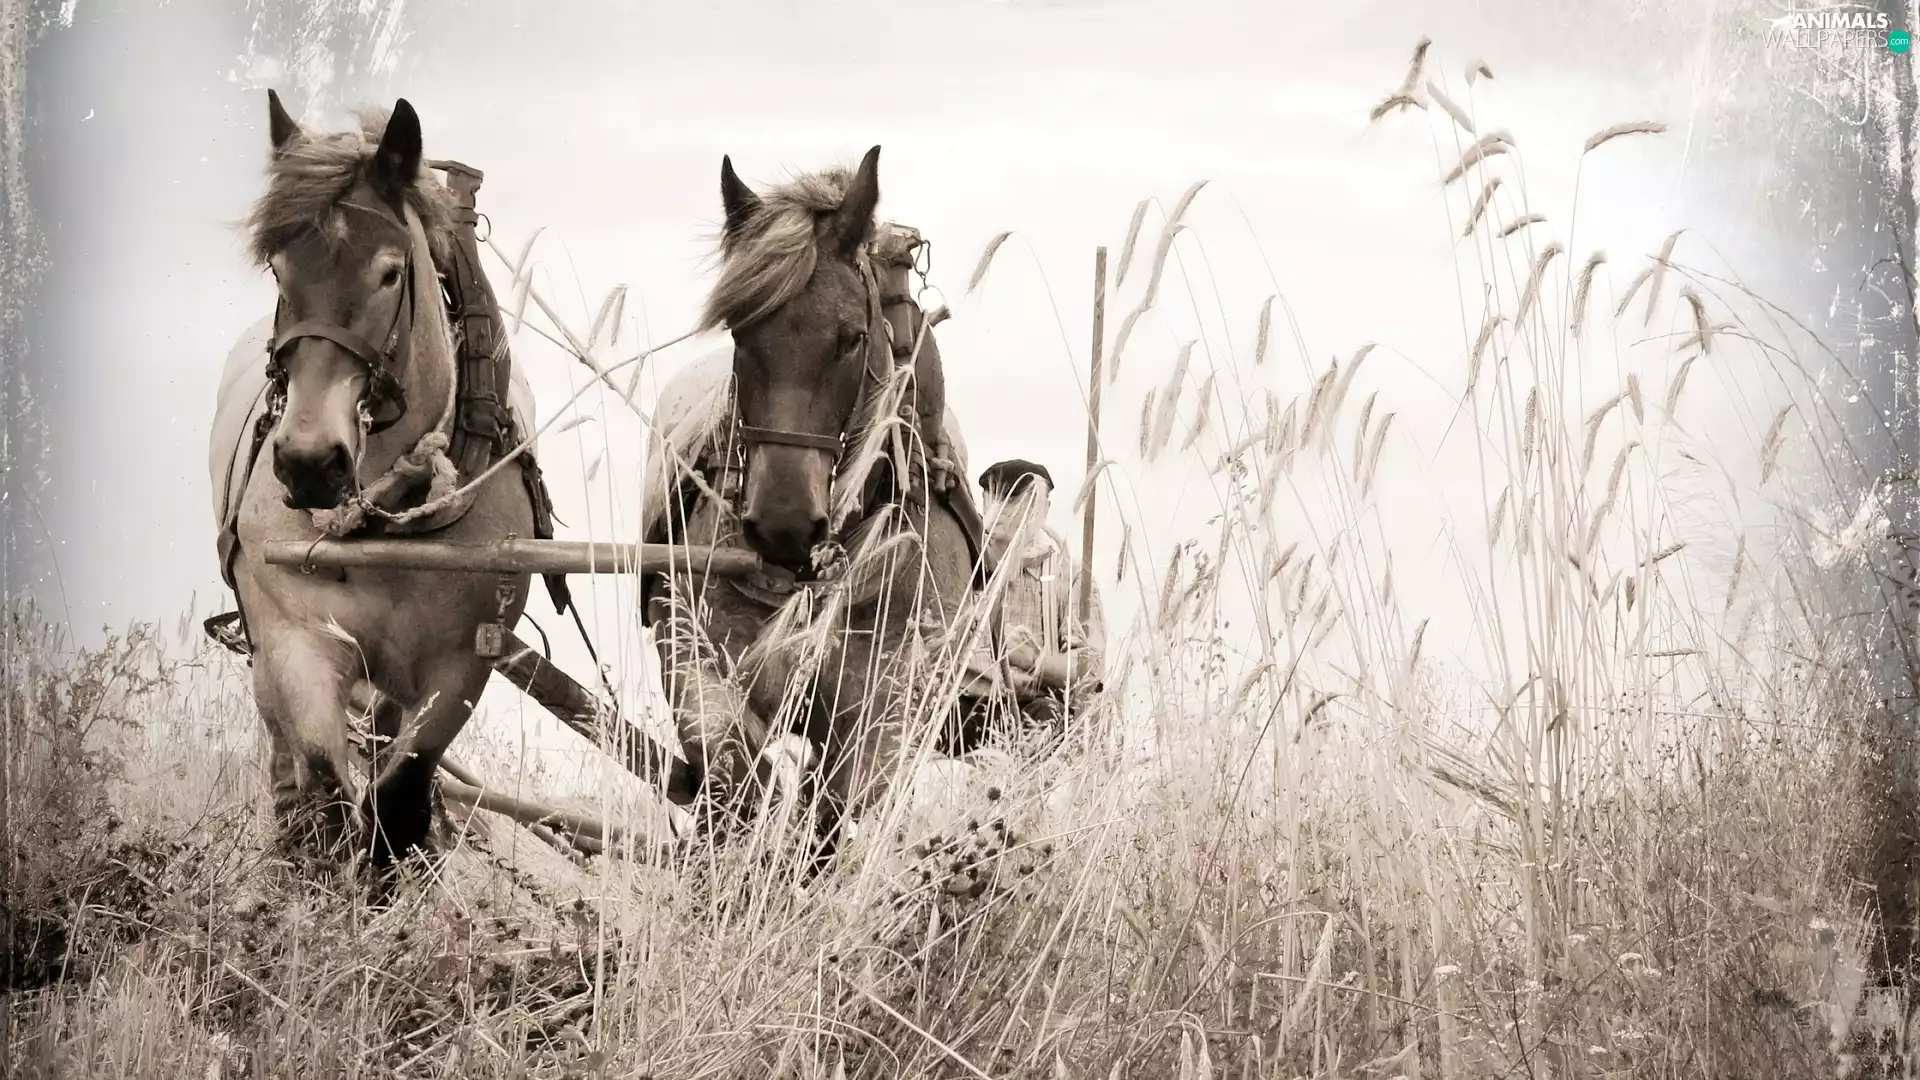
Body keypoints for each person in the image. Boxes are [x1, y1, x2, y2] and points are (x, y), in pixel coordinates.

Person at [952, 459, 1106, 755]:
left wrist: (1036, 662)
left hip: (1034, 712)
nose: (1013, 513)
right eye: (1005, 499)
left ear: (1045, 508)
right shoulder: (960, 567)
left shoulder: (1069, 576)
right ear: (985, 503)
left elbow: (1091, 670)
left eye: (1025, 502)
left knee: (1048, 721)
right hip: (964, 708)